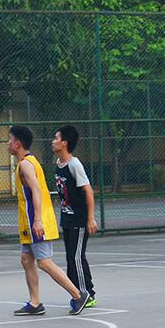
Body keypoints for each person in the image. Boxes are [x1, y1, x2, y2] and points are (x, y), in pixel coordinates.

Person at [7, 125, 89, 317]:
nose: (7, 144)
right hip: (29, 222)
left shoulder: (26, 165)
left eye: (9, 140)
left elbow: (36, 191)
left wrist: (37, 220)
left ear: (17, 144)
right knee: (27, 259)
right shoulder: (28, 162)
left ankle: (78, 295)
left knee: (44, 262)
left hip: (37, 221)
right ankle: (35, 303)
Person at [52, 125, 98, 308]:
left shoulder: (74, 165)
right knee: (71, 258)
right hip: (67, 218)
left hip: (79, 219)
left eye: (56, 138)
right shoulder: (59, 164)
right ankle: (80, 292)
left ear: (64, 143)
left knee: (77, 257)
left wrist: (90, 218)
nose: (53, 141)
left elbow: (88, 191)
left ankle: (87, 294)